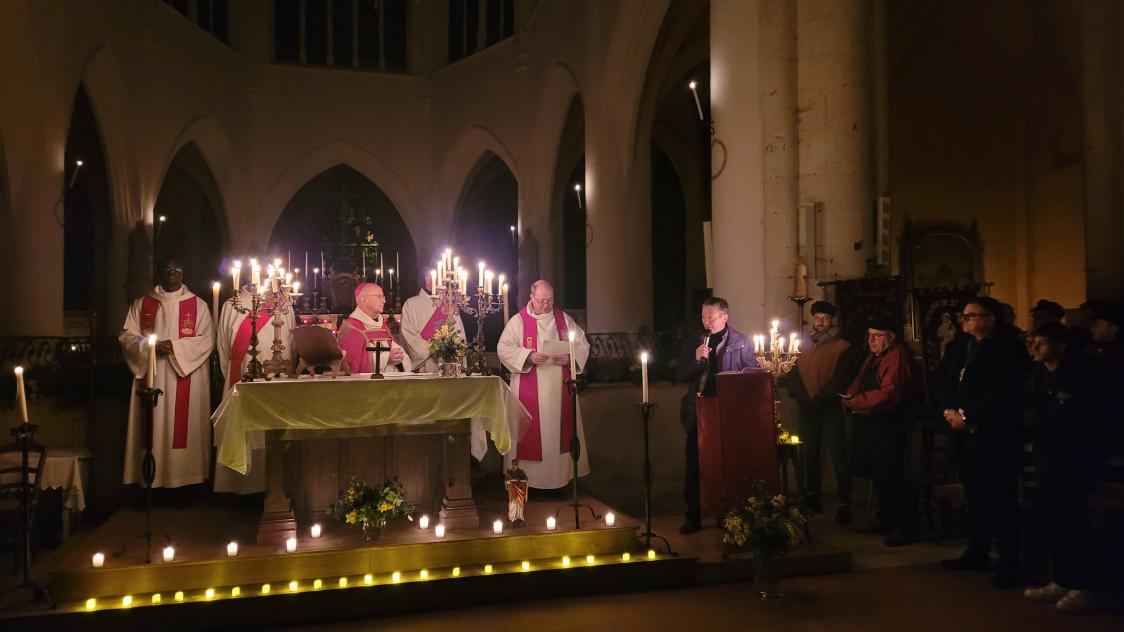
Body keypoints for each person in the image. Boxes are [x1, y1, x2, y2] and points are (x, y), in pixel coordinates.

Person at [941, 296, 1030, 588]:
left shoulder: (1007, 347)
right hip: (969, 434)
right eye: (964, 316)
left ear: (991, 319)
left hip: (996, 434)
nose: (964, 321)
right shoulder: (968, 344)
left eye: (971, 316)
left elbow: (1003, 391)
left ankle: (1009, 563)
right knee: (976, 496)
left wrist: (968, 416)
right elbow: (955, 381)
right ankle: (977, 550)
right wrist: (950, 411)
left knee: (1001, 499)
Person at [1022, 323, 1098, 613]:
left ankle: (1084, 585)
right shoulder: (1038, 377)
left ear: (1061, 344)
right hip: (1046, 456)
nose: (1033, 348)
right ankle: (1061, 579)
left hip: (1073, 458)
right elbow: (1029, 411)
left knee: (1073, 520)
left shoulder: (1081, 376)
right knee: (1052, 520)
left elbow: (1087, 418)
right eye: (1030, 342)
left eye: (1039, 342)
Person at [119, 257, 215, 489]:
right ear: (159, 272)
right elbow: (127, 337)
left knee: (183, 430)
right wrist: (150, 347)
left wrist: (173, 347)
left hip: (185, 375)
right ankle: (151, 483)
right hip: (152, 373)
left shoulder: (198, 305)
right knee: (151, 428)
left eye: (176, 268)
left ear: (183, 272)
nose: (172, 272)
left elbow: (206, 340)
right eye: (167, 268)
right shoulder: (142, 304)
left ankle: (185, 484)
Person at [497, 280, 590, 490]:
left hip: (560, 388)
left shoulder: (563, 320)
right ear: (531, 297)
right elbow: (503, 348)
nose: (547, 305)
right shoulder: (519, 321)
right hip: (529, 390)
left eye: (550, 300)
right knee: (529, 436)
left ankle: (560, 482)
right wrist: (528, 356)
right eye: (542, 301)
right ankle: (528, 484)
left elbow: (582, 345)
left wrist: (570, 357)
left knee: (559, 435)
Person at [676, 297, 758, 534]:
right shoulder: (696, 340)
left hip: (727, 412)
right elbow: (680, 374)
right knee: (694, 465)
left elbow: (752, 373)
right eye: (703, 317)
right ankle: (693, 516)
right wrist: (696, 359)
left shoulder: (740, 342)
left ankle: (728, 514)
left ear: (724, 317)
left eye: (710, 317)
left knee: (727, 466)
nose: (706, 322)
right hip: (698, 411)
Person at [212, 284, 295, 494]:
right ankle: (240, 486)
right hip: (242, 375)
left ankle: (276, 486)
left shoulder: (284, 303)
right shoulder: (232, 304)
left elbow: (292, 343)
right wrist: (235, 371)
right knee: (244, 428)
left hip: (278, 379)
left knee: (271, 428)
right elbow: (224, 347)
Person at [779, 301, 856, 523]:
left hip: (829, 407)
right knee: (810, 452)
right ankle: (812, 496)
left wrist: (821, 399)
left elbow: (842, 377)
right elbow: (792, 373)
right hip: (807, 407)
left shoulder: (842, 347)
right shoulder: (801, 344)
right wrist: (803, 398)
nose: (821, 322)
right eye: (817, 317)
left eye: (825, 318)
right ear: (812, 319)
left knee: (837, 453)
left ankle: (844, 503)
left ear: (832, 320)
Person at [842, 313, 915, 546]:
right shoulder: (873, 357)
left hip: (889, 424)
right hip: (872, 422)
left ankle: (902, 526)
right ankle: (886, 520)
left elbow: (890, 391)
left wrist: (859, 401)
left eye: (877, 336)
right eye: (870, 336)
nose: (872, 340)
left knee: (891, 473)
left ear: (890, 337)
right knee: (878, 473)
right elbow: (859, 379)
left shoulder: (896, 356)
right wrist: (850, 395)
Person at [336, 283, 411, 374]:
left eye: (383, 297)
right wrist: (386, 358)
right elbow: (352, 363)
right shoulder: (351, 328)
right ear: (364, 300)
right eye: (379, 296)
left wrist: (399, 357)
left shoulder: (381, 325)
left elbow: (398, 352)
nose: (384, 301)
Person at [400, 273, 468, 372]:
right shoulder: (411, 304)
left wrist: (455, 351)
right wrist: (432, 349)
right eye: (440, 276)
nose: (445, 281)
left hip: (450, 366)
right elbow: (408, 336)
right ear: (427, 279)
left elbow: (460, 334)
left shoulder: (449, 305)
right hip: (424, 368)